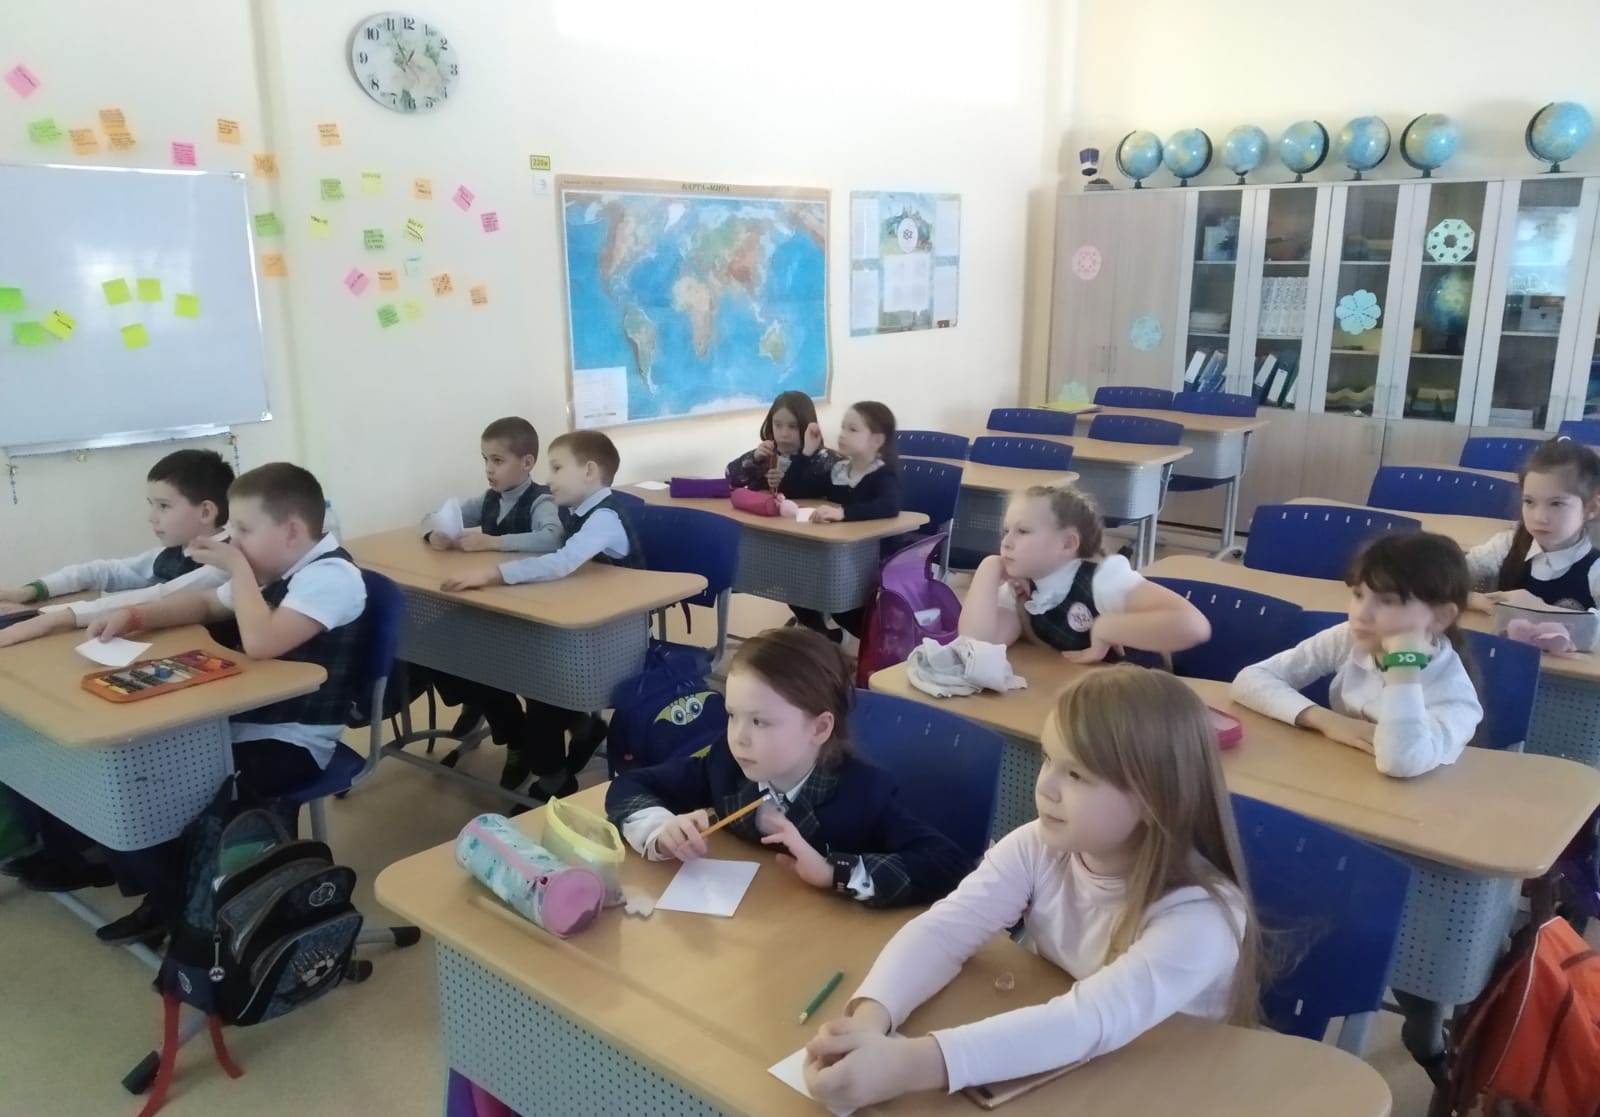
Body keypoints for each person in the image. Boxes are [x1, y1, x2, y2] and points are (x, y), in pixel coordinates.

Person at [801, 666, 1259, 1109]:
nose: (1046, 787)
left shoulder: (1201, 918)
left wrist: (907, 1066)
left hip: (1169, 1085)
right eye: (1048, 759)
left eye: (1076, 774)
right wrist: (871, 1021)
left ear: (1153, 798)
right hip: (1078, 1068)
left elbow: (1088, 1020)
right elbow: (946, 929)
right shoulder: (1040, 845)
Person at [78, 462, 368, 943]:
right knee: (131, 773)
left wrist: (236, 567)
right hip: (240, 718)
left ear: (292, 531)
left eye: (245, 530)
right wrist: (134, 615)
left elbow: (262, 642)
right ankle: (176, 902)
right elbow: (207, 604)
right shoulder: (272, 569)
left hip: (293, 737)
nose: (233, 539)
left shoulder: (332, 577)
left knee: (157, 789)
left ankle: (195, 913)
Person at [605, 625, 971, 907]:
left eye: (760, 722)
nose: (738, 737)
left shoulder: (864, 794)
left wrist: (833, 872)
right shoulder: (726, 765)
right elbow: (629, 786)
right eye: (732, 715)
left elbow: (948, 866)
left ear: (819, 729)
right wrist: (661, 830)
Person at [441, 430, 639, 798]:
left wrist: (493, 573)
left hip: (615, 637)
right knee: (520, 667)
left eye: (558, 468)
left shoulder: (604, 517)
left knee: (542, 693)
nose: (548, 479)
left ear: (589, 471)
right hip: (582, 623)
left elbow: (562, 562)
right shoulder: (578, 511)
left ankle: (554, 781)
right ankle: (581, 729)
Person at [1233, 532, 1482, 778]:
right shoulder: (1349, 638)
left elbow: (1400, 762)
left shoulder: (1454, 695)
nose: (1361, 613)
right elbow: (1250, 679)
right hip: (1342, 776)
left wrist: (1403, 667)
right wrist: (1327, 721)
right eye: (1358, 595)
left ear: (1440, 617)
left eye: (1388, 601)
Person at [418, 416, 563, 784]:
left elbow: (552, 538)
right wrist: (435, 533)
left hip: (532, 611)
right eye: (485, 460)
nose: (488, 469)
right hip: (490, 604)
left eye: (498, 460)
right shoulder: (488, 500)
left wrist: (494, 542)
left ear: (527, 463)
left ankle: (522, 739)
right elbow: (431, 516)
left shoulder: (541, 500)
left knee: (494, 661)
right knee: (443, 646)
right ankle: (503, 727)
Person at [0, 448, 234, 648]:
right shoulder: (176, 550)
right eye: (151, 505)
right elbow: (109, 571)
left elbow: (157, 598)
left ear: (206, 512)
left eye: (164, 506)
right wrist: (30, 592)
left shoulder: (223, 566)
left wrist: (51, 616)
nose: (151, 517)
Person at [958, 485, 1210, 663]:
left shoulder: (1104, 580)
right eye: (1006, 531)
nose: (1007, 542)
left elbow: (1194, 626)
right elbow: (976, 645)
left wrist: (1106, 628)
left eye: (1023, 531)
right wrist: (989, 568)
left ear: (1068, 544)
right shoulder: (1023, 588)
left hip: (1141, 704)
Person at [786, 401, 902, 641]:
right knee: (794, 582)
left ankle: (882, 642)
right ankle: (823, 634)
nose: (842, 434)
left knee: (844, 608)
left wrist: (844, 513)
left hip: (868, 558)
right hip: (835, 554)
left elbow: (889, 506)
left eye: (852, 429)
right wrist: (806, 453)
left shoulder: (882, 474)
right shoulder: (838, 470)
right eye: (843, 427)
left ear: (877, 440)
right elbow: (794, 491)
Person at [1463, 436, 1600, 614]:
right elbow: (1444, 577)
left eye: (1556, 504)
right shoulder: (1507, 544)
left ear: (1591, 508)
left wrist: (1540, 610)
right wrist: (1471, 598)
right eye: (1529, 501)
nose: (1539, 517)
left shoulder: (1596, 569)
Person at [724, 390, 836, 493]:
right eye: (778, 425)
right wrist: (754, 459)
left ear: (807, 425)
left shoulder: (823, 459)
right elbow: (730, 477)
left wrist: (806, 455)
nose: (784, 434)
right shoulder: (766, 456)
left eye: (793, 426)